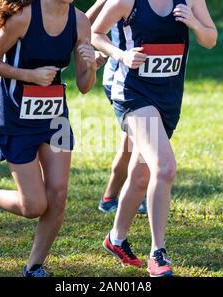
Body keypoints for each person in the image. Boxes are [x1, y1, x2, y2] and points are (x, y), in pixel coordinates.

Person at [0, 0, 97, 277]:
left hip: (54, 117)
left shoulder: (81, 21)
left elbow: (84, 86)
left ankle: (34, 267)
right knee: (34, 205)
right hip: (16, 118)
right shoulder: (23, 17)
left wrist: (91, 65)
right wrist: (29, 76)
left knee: (58, 195)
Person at [92, 0, 217, 277]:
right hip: (134, 95)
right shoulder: (126, 2)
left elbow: (210, 39)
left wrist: (194, 24)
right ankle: (157, 253)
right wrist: (121, 55)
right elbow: (95, 34)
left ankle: (116, 238)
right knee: (164, 167)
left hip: (168, 98)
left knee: (140, 176)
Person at [86, 0, 147, 214]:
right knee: (138, 141)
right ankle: (121, 196)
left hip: (148, 80)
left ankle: (116, 196)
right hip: (121, 78)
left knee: (132, 144)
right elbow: (82, 25)